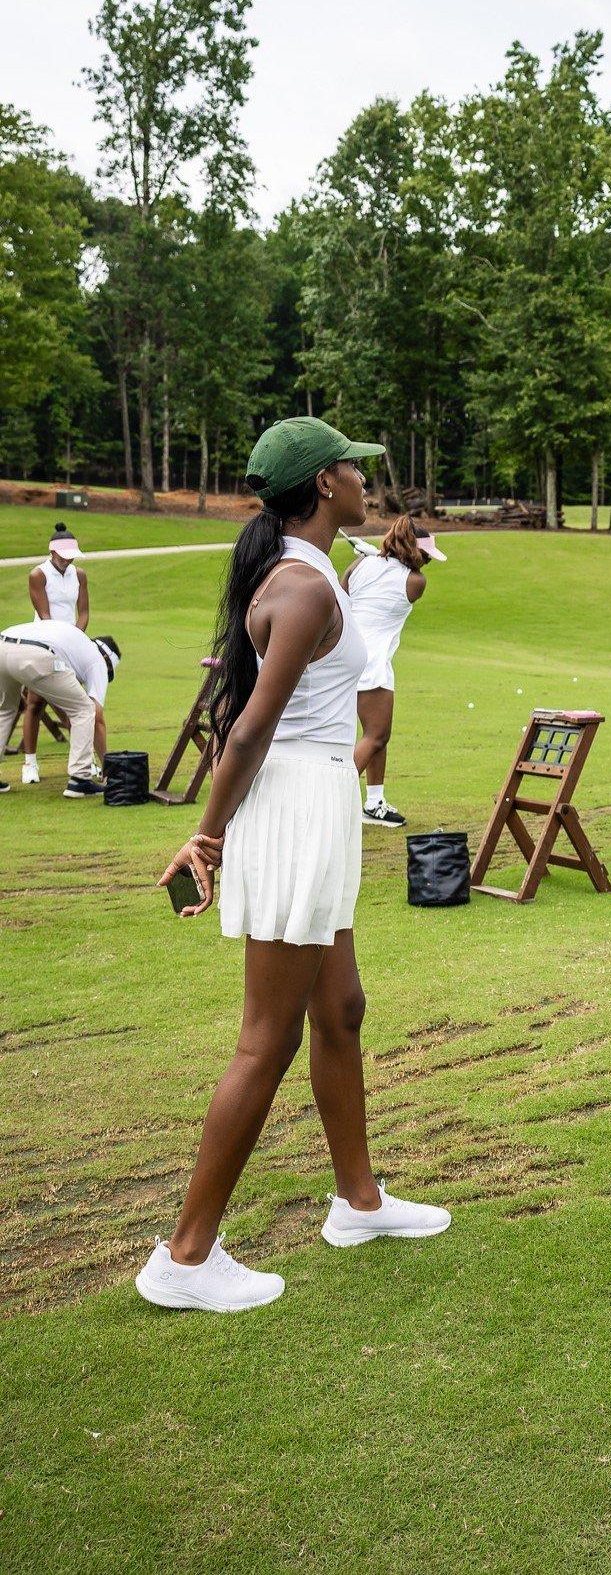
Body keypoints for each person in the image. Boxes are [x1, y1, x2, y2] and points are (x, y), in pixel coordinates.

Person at [140, 417, 450, 1315]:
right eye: (352, 468)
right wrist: (205, 836)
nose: (364, 480)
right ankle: (186, 1257)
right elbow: (246, 730)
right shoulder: (304, 585)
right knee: (266, 1040)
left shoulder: (302, 570)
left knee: (341, 1009)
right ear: (323, 484)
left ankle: (358, 1204)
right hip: (297, 811)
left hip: (317, 804)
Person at [342, 514, 446, 828]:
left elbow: (343, 596)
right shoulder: (415, 581)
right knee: (377, 735)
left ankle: (374, 803)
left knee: (375, 735)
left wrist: (372, 559)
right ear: (412, 550)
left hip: (345, 657)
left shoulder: (358, 566)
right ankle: (328, 799)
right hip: (372, 663)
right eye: (426, 554)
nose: (428, 561)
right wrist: (377, 557)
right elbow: (401, 574)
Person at [0, 619, 119, 798]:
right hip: (35, 654)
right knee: (85, 710)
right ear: (107, 661)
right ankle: (80, 779)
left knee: (4, 710)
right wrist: (107, 767)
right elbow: (97, 717)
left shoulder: (76, 644)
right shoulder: (98, 661)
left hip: (3, 644)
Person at [20, 523, 90, 784]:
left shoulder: (79, 574)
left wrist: (75, 638)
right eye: (63, 555)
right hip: (42, 643)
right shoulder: (38, 575)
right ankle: (30, 764)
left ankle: (84, 761)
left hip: (70, 644)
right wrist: (61, 642)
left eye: (71, 556)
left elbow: (83, 612)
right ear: (52, 552)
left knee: (75, 704)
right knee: (35, 702)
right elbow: (45, 615)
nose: (67, 560)